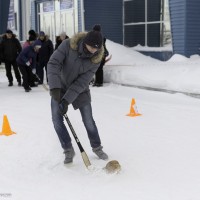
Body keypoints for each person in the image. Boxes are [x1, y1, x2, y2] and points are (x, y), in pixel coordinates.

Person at [47, 24, 108, 164]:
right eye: (91, 46)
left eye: (96, 48)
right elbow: (53, 63)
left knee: (88, 121)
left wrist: (67, 100)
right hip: (60, 87)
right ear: (85, 42)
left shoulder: (96, 59)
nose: (93, 50)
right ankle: (68, 149)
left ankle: (97, 147)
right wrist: (55, 88)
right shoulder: (68, 45)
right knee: (56, 120)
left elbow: (82, 82)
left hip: (80, 91)